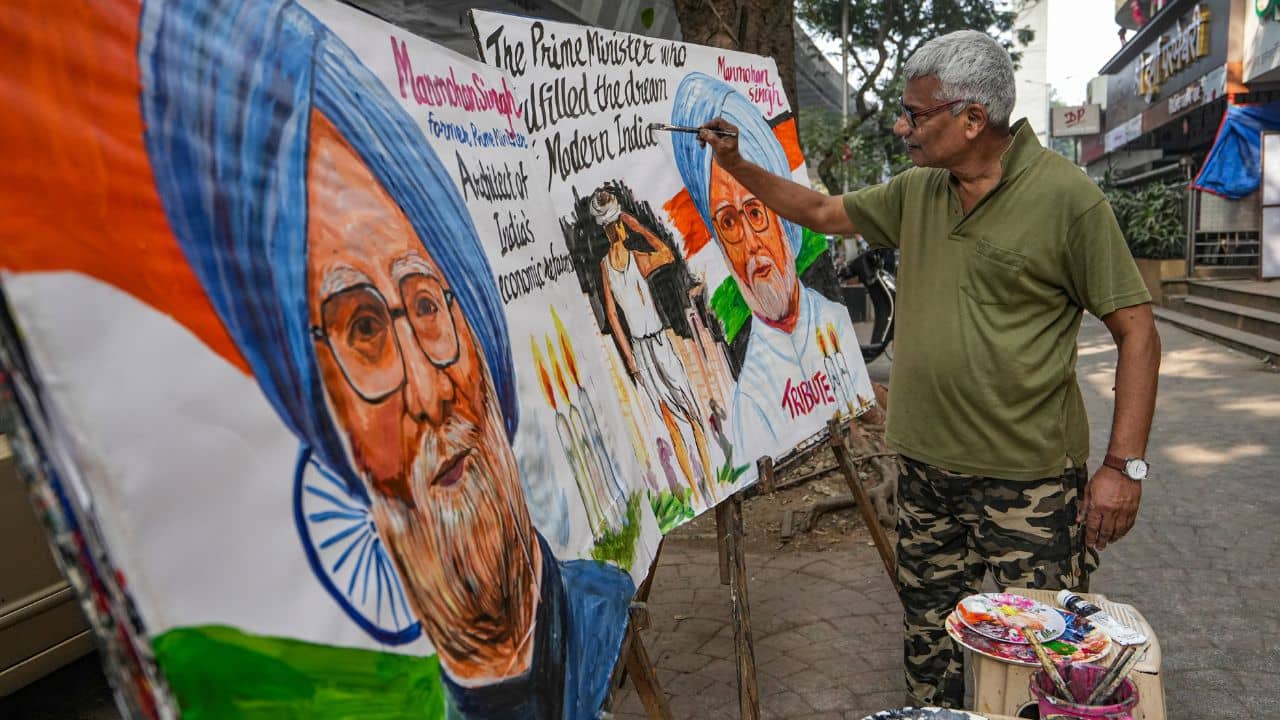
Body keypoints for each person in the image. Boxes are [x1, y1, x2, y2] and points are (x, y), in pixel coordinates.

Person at [139, 1, 633, 717]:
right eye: (363, 329)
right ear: (314, 407)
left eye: (427, 304)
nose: (430, 393)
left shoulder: (596, 599)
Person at [694, 31, 1161, 707]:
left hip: (1027, 484)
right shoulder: (918, 191)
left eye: (914, 114)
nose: (900, 125)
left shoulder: (1068, 199)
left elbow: (1138, 332)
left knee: (1041, 660)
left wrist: (1123, 468)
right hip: (924, 475)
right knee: (930, 643)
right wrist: (737, 164)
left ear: (972, 119)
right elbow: (821, 212)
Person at [670, 72, 874, 456]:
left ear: (784, 219)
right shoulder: (750, 403)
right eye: (728, 223)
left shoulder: (834, 323)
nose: (751, 246)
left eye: (756, 212)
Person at [592, 189, 714, 505]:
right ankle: (699, 491)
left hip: (655, 342)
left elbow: (667, 256)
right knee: (675, 419)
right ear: (616, 225)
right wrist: (630, 357)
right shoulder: (610, 266)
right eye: (619, 223)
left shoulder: (634, 259)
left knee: (687, 413)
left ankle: (710, 487)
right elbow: (612, 316)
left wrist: (637, 227)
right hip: (644, 347)